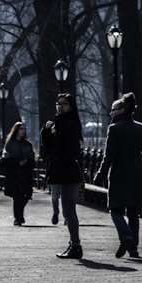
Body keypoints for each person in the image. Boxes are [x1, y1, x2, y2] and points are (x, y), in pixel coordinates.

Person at [93, 92, 142, 259]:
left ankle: (125, 236)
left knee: (115, 210)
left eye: (113, 109)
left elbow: (109, 156)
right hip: (137, 174)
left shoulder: (114, 129)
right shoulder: (141, 128)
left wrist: (100, 175)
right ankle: (134, 249)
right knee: (133, 212)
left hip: (119, 175)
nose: (111, 113)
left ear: (122, 110)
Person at [40, 92, 85, 259]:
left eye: (64, 104)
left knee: (68, 211)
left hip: (69, 173)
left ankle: (76, 245)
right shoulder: (56, 124)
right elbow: (48, 148)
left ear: (71, 107)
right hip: (60, 171)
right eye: (58, 103)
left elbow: (71, 150)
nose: (60, 106)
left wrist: (57, 160)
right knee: (67, 211)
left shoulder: (70, 124)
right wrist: (45, 132)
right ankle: (74, 244)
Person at [1, 122, 34, 226]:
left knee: (27, 195)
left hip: (25, 173)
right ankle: (18, 217)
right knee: (17, 196)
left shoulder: (28, 145)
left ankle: (19, 215)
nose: (23, 131)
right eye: (21, 129)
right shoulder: (10, 144)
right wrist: (17, 162)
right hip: (14, 173)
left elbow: (32, 158)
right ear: (16, 130)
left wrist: (26, 162)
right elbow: (6, 159)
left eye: (24, 129)